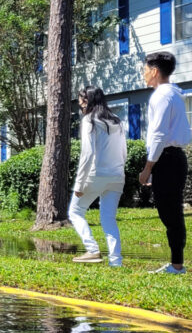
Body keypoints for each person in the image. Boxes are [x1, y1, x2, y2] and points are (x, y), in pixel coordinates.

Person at [138, 51, 190, 275]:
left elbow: (158, 135)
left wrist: (148, 168)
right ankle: (176, 263)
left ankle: (177, 266)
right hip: (173, 158)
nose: (143, 74)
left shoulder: (161, 96)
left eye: (145, 69)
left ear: (155, 71)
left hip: (167, 160)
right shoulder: (175, 93)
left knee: (171, 214)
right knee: (171, 213)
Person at [69, 85, 126, 266]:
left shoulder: (89, 121)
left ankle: (92, 250)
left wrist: (79, 184)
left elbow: (87, 154)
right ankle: (116, 262)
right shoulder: (117, 120)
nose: (81, 106)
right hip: (117, 176)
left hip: (96, 175)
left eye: (81, 103)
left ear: (87, 101)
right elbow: (124, 151)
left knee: (75, 212)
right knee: (108, 219)